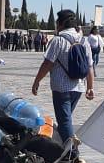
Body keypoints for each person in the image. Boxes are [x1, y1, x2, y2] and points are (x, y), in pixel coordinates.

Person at [31, 10, 95, 155]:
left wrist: (37, 81)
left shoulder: (58, 40)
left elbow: (47, 63)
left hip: (61, 88)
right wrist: (90, 87)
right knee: (65, 118)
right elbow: (90, 66)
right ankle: (61, 147)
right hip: (78, 87)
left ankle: (72, 153)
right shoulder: (83, 41)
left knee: (64, 121)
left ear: (60, 24)